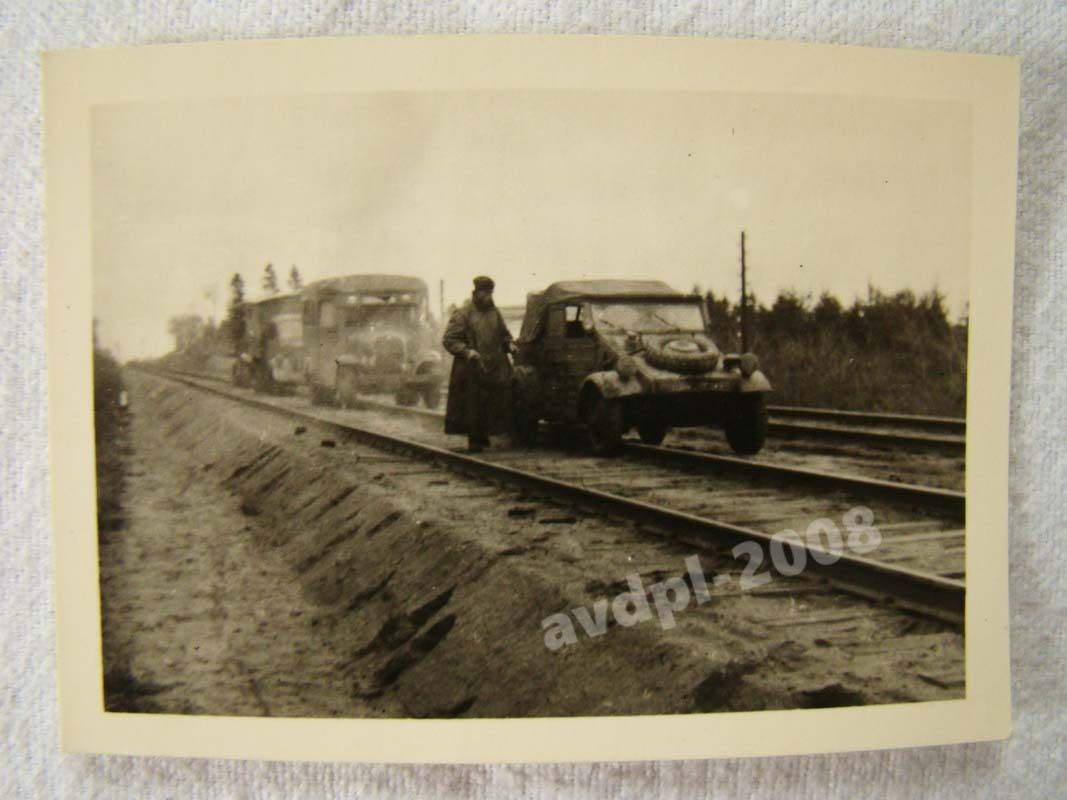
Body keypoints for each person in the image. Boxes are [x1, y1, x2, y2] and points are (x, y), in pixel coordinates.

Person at [442, 276, 516, 453]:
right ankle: (474, 441)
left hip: (493, 366)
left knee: (491, 402)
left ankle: (483, 436)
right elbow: (449, 339)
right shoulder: (463, 313)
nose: (488, 297)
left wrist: (509, 344)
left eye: (490, 293)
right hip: (471, 367)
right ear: (476, 293)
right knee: (472, 404)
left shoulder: (495, 313)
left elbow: (504, 334)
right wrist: (467, 352)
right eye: (485, 293)